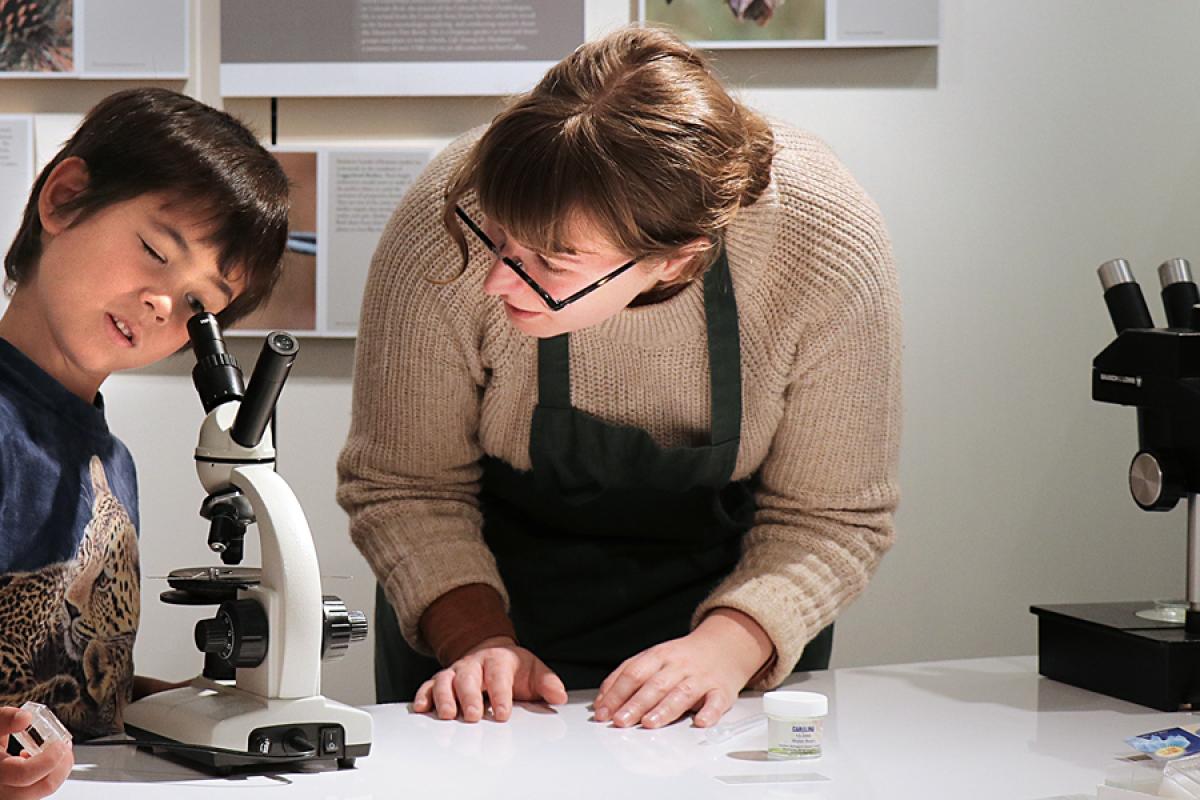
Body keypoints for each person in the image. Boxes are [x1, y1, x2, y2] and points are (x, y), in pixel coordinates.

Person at [338, 25, 901, 730]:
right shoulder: (450, 212)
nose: (493, 281)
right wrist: (476, 640)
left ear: (675, 259)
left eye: (551, 260)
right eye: (500, 239)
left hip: (734, 607)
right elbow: (405, 484)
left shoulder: (823, 242)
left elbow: (831, 517)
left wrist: (729, 647)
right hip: (486, 604)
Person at [0, 87, 289, 795]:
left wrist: (190, 705)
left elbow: (72, 685)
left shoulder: (110, 461)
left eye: (199, 305)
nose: (165, 303)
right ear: (64, 199)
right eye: (157, 251)